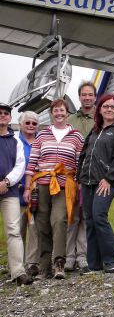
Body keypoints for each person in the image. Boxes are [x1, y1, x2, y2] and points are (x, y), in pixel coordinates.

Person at [24, 99, 84, 280]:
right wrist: (27, 187)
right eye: (55, 110)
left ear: (67, 113)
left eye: (62, 110)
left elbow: (80, 163)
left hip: (64, 185)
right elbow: (32, 162)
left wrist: (79, 183)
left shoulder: (76, 136)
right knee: (42, 224)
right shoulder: (42, 135)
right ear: (51, 113)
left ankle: (59, 263)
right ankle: (44, 267)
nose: (59, 113)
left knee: (59, 221)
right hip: (42, 183)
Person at [77, 94, 114, 274]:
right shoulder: (95, 130)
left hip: (106, 181)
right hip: (87, 181)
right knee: (90, 220)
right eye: (106, 106)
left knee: (99, 216)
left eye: (113, 107)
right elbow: (84, 155)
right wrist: (79, 178)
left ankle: (113, 261)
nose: (109, 109)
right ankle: (94, 264)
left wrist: (109, 178)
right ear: (99, 109)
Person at [65, 81, 97, 272]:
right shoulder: (71, 120)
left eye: (90, 94)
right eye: (83, 94)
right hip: (71, 174)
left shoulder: (99, 119)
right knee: (72, 216)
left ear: (95, 97)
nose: (87, 97)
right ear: (79, 97)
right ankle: (69, 256)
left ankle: (83, 255)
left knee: (87, 216)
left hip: (92, 175)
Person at [0, 102, 30, 285]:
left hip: (9, 191)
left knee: (13, 230)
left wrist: (6, 182)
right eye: (0, 113)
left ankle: (18, 272)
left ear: (10, 118)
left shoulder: (16, 141)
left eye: (5, 113)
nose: (2, 115)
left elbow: (21, 165)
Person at [16, 111, 39, 277]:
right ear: (21, 124)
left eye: (34, 123)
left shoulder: (41, 141)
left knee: (34, 228)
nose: (31, 126)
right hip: (15, 191)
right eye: (27, 123)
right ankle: (16, 264)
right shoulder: (15, 141)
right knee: (16, 229)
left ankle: (32, 263)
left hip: (36, 191)